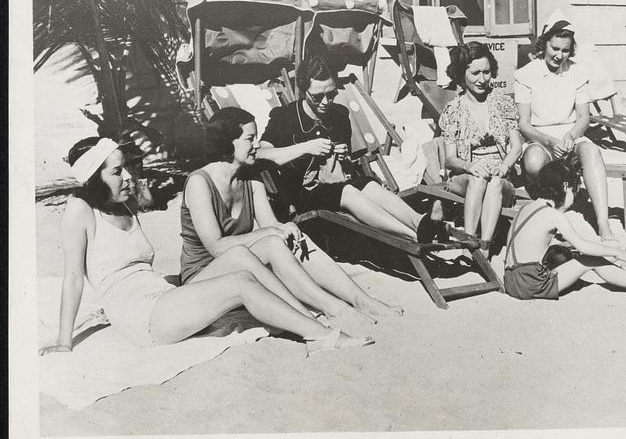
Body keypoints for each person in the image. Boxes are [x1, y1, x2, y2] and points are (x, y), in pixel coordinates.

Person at [40, 138, 371, 356]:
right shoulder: (78, 211)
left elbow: (138, 268)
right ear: (94, 178)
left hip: (160, 297)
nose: (128, 176)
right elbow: (73, 277)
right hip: (139, 315)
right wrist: (63, 341)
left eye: (126, 167)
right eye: (117, 171)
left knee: (240, 254)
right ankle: (319, 336)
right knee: (240, 283)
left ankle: (306, 316)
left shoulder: (123, 204)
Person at [180, 107, 403, 325]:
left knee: (293, 238)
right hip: (203, 277)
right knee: (272, 241)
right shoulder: (200, 183)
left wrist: (284, 230)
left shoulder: (250, 176)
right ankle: (334, 308)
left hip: (242, 263)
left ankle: (361, 300)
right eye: (250, 139)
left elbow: (271, 225)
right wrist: (273, 231)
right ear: (227, 141)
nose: (257, 145)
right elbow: (216, 247)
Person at [258, 53, 446, 243]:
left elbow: (346, 169)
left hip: (335, 184)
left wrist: (343, 157)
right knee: (348, 191)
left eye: (331, 94)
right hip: (301, 196)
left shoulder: (339, 115)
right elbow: (260, 152)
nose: (325, 102)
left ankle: (419, 222)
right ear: (303, 91)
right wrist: (305, 148)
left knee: (368, 184)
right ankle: (412, 237)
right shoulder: (285, 117)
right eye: (317, 97)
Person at [503, 156, 626, 300]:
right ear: (565, 187)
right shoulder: (553, 215)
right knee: (590, 260)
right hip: (530, 284)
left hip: (511, 280)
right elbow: (583, 246)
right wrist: (616, 252)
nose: (573, 201)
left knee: (566, 252)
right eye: (574, 192)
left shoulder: (527, 208)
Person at [514, 12, 615, 240]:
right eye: (555, 48)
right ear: (544, 44)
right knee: (533, 162)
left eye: (565, 50)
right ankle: (548, 212)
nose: (559, 55)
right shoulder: (525, 75)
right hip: (539, 138)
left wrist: (571, 136)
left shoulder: (578, 72)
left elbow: (583, 117)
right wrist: (549, 141)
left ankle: (603, 223)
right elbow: (524, 124)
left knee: (591, 151)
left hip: (570, 134)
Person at [438, 41, 522, 253]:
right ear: (461, 73)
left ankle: (483, 247)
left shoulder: (502, 103)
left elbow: (516, 147)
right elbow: (450, 159)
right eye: (475, 73)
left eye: (486, 72)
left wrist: (503, 167)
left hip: (500, 175)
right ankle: (469, 238)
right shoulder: (453, 110)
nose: (482, 79)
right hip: (466, 175)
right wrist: (469, 166)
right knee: (478, 178)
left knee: (493, 182)